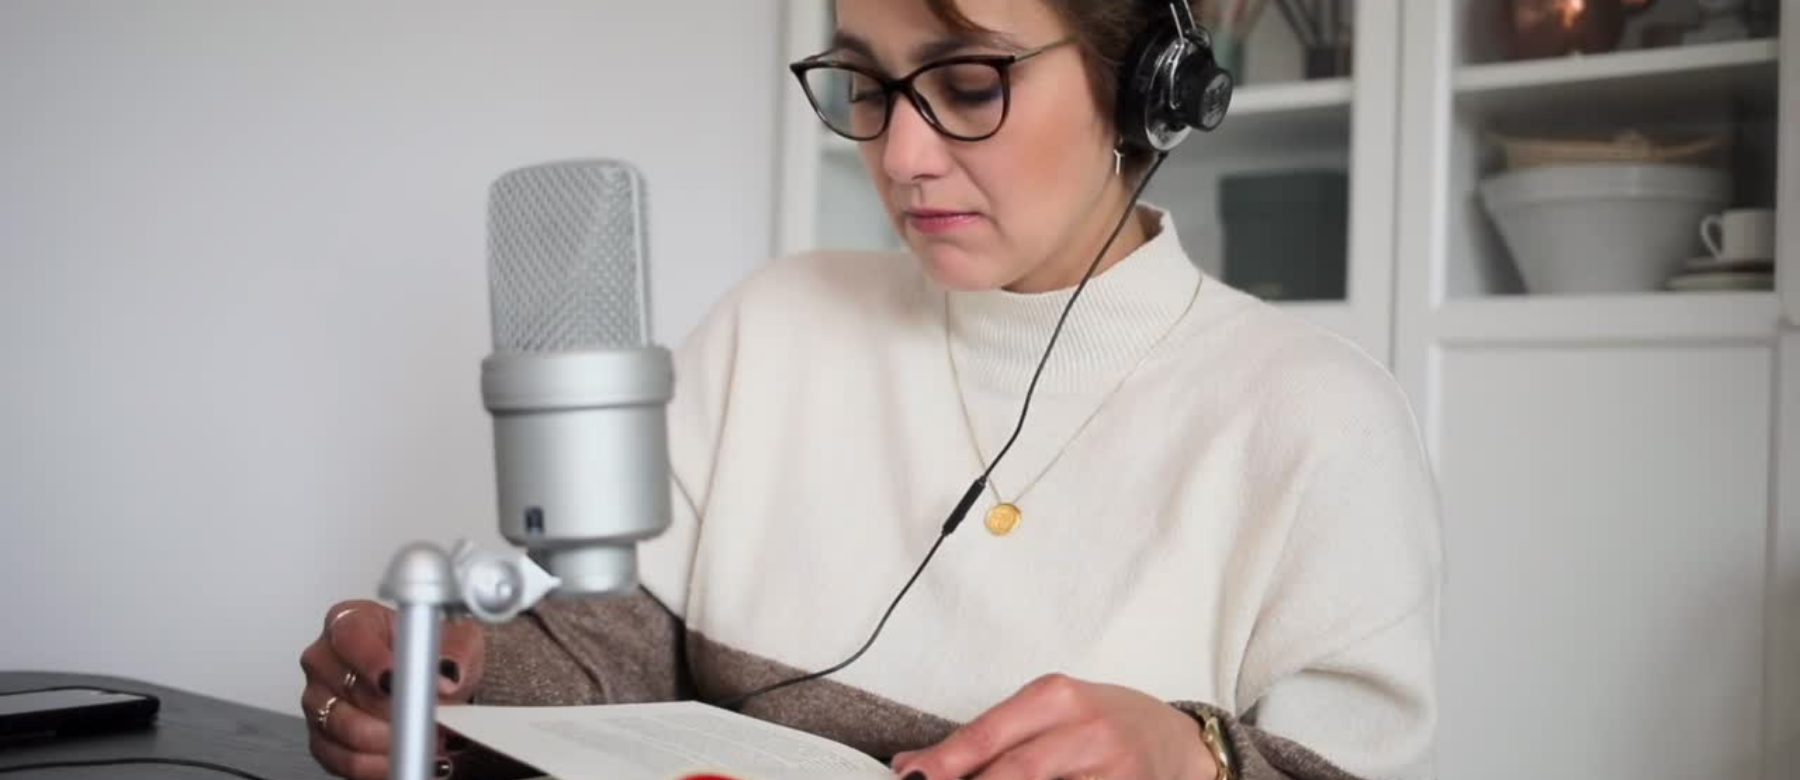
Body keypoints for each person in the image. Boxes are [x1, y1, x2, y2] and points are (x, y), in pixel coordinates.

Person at [297, 1, 1444, 779]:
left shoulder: (1317, 419)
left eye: (965, 81)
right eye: (866, 85)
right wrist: (449, 686)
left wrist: (1197, 752)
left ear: (1148, 87)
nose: (900, 154)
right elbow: (616, 665)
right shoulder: (775, 320)